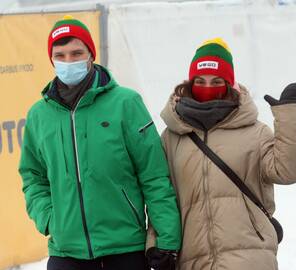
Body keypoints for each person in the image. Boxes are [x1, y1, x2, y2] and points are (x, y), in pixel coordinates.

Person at [19, 15, 181, 270]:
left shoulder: (126, 104)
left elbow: (154, 177)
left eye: (76, 53)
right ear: (51, 59)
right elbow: (32, 176)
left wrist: (167, 241)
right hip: (66, 251)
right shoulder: (39, 115)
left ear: (91, 55)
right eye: (60, 55)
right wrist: (50, 219)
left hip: (125, 248)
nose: (68, 61)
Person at [158, 38, 296, 270]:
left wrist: (289, 117)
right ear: (189, 84)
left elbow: (290, 171)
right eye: (200, 81)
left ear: (230, 85)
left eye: (217, 81)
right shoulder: (172, 137)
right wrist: (156, 245)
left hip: (249, 257)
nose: (207, 87)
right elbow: (161, 198)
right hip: (192, 260)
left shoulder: (255, 132)